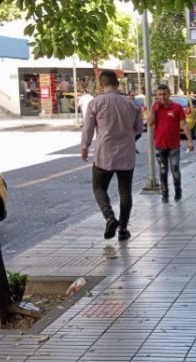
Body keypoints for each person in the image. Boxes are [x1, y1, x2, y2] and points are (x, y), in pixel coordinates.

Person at [81, 70, 143, 241]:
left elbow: (88, 128)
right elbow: (138, 129)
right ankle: (123, 229)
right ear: (117, 83)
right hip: (126, 155)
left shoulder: (95, 103)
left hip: (104, 154)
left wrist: (84, 146)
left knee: (99, 188)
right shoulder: (131, 104)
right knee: (125, 191)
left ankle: (109, 217)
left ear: (101, 84)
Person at [148, 84, 195, 203]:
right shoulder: (156, 108)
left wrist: (190, 140)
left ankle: (178, 191)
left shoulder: (177, 107)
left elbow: (184, 124)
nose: (162, 97)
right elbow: (149, 122)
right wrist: (153, 106)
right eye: (159, 94)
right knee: (163, 171)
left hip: (174, 145)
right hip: (160, 146)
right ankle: (165, 194)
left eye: (164, 94)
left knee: (175, 168)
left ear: (169, 94)